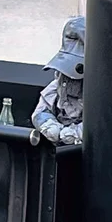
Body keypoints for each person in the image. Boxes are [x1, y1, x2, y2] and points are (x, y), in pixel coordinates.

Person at [33, 16, 84, 144]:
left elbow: (103, 122)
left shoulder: (103, 92)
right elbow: (41, 110)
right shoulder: (58, 82)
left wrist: (77, 132)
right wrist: (47, 123)